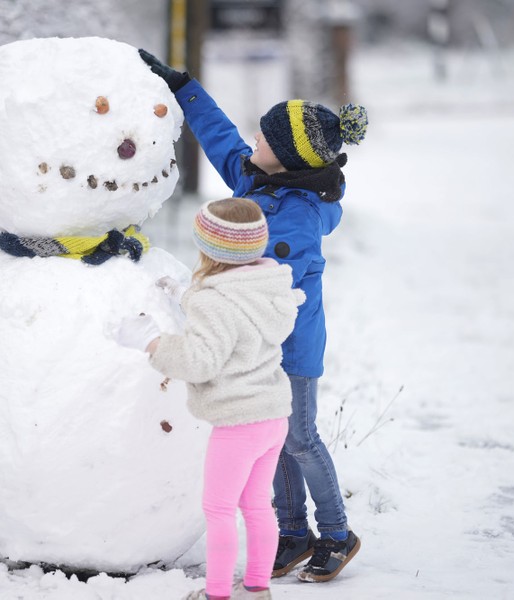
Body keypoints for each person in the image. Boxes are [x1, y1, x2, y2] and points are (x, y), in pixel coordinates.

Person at [138, 49, 367, 583]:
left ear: (285, 159)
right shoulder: (259, 182)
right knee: (272, 436)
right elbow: (221, 138)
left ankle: (336, 533)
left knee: (299, 437)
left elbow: (272, 290)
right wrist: (183, 87)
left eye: (264, 139)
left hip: (290, 347)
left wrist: (204, 301)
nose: (253, 143)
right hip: (258, 347)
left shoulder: (299, 217)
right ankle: (291, 533)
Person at [116, 198, 305, 600]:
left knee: (219, 510)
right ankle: (256, 588)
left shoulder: (213, 301)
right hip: (273, 416)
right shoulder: (267, 286)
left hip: (238, 422)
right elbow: (234, 319)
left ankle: (217, 594)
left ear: (210, 248)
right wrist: (187, 296)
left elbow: (200, 360)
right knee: (256, 506)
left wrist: (151, 342)